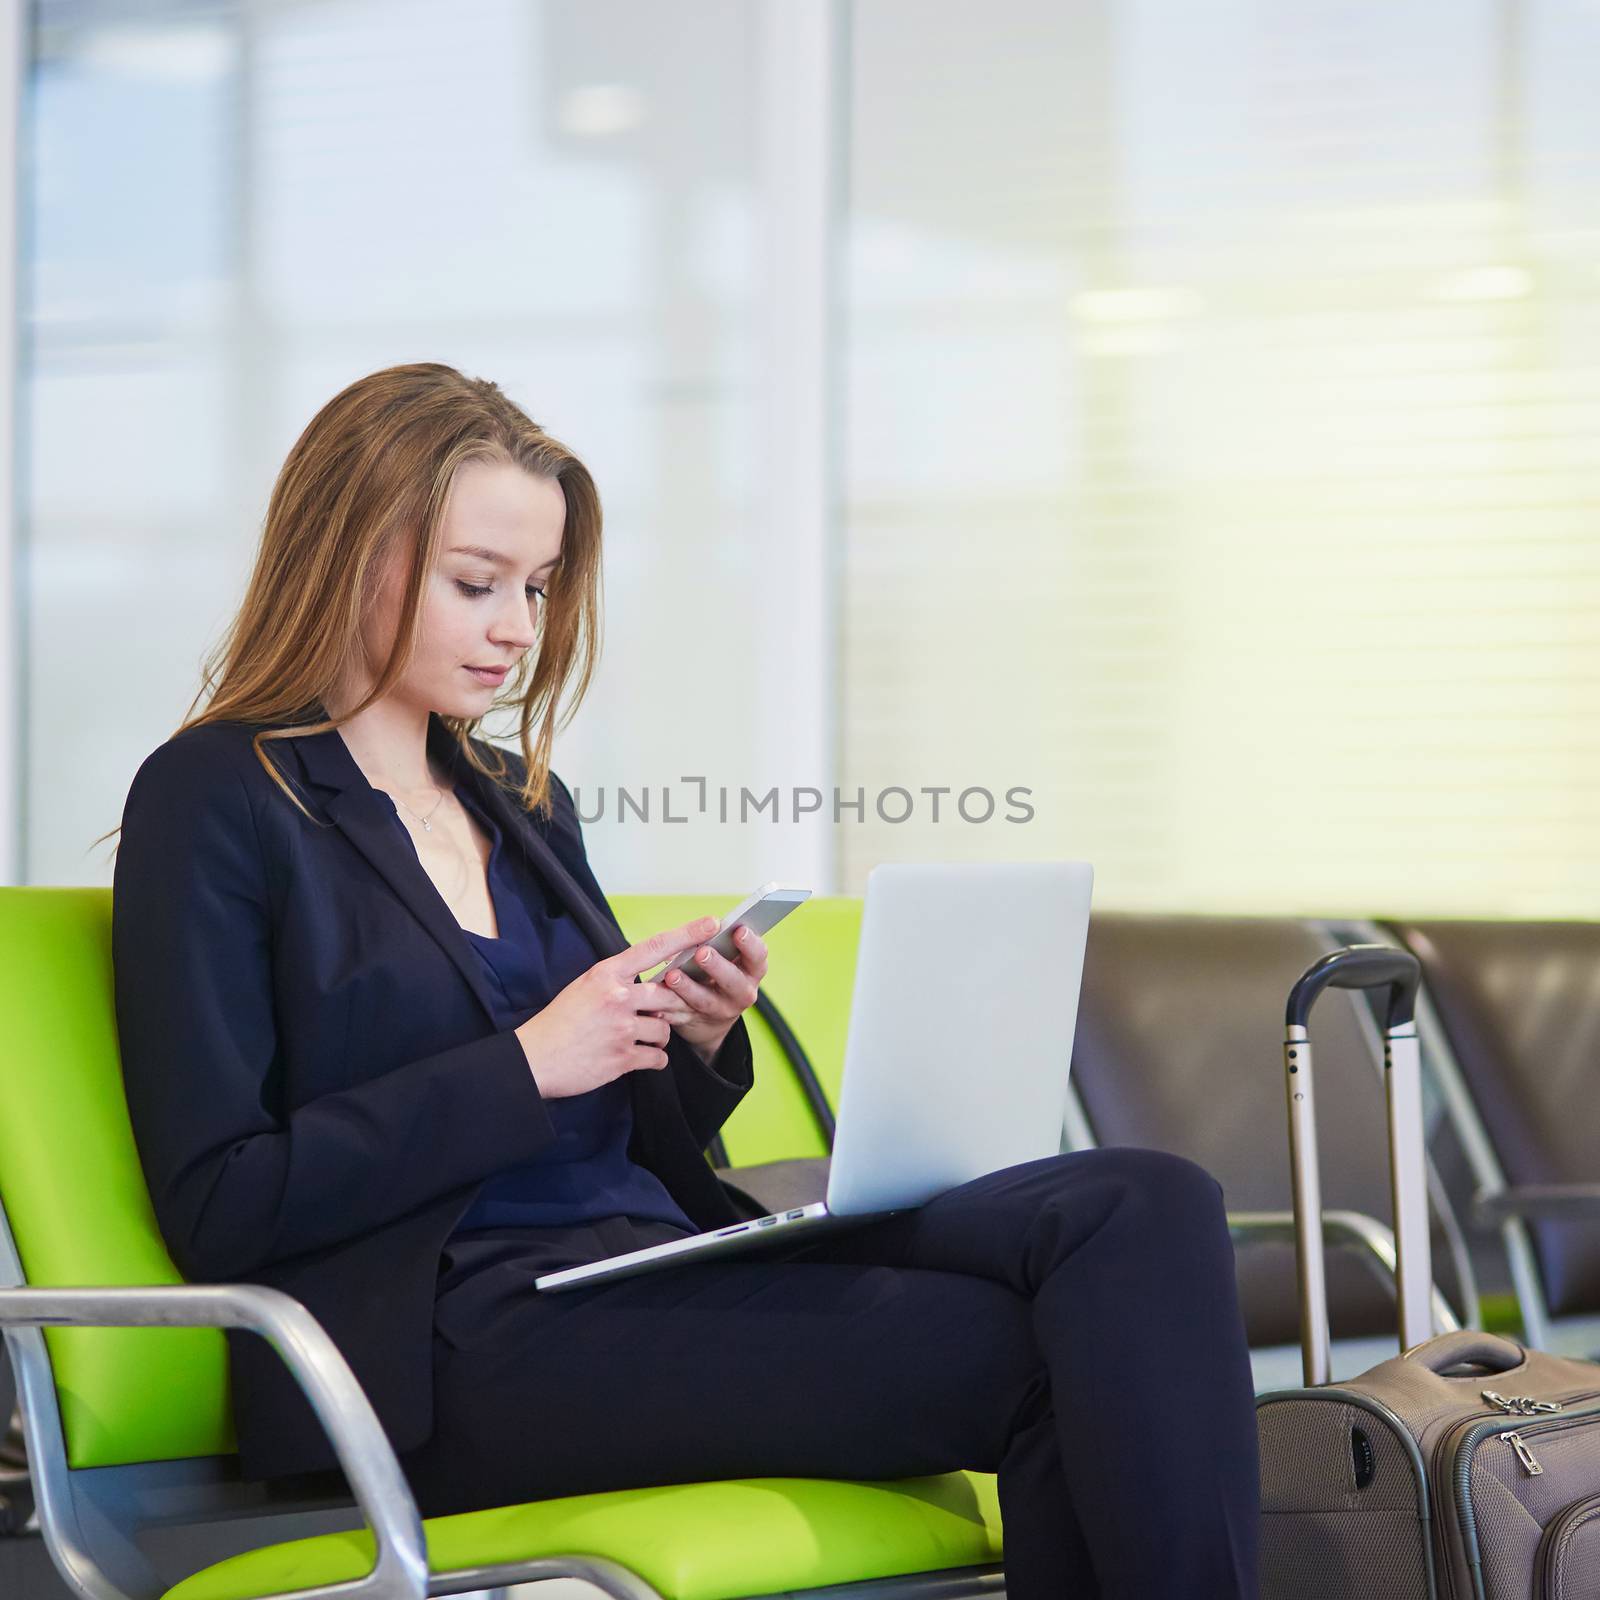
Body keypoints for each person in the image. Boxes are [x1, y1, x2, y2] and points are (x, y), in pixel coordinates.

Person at [105, 362, 1261, 1600]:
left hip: (645, 1263)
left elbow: (634, 1133)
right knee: (1070, 1357)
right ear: (348, 554)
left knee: (1144, 1202)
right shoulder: (223, 795)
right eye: (475, 583)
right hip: (455, 1338)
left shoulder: (523, 804)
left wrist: (692, 1041)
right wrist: (528, 1063)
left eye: (536, 589)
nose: (516, 627)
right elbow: (222, 1199)